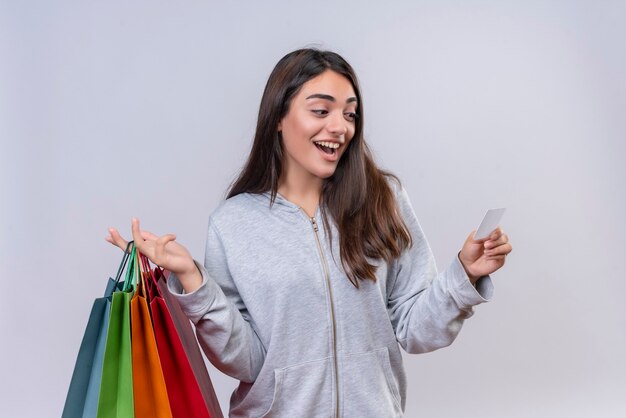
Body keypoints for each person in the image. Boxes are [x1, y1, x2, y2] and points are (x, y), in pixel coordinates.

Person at [106, 48, 512, 418]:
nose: (340, 127)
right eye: (321, 111)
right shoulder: (233, 223)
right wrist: (192, 280)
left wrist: (465, 275)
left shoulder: (382, 199)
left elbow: (415, 329)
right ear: (279, 118)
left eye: (350, 114)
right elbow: (245, 361)